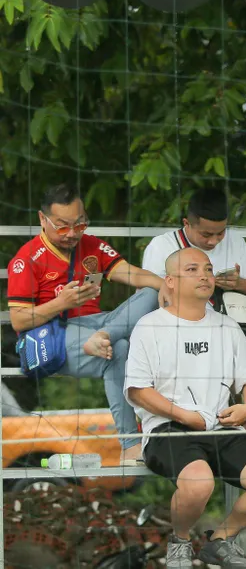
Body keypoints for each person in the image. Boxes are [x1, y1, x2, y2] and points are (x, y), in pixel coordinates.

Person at [126, 248, 246, 569]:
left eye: (209, 269)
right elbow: (138, 391)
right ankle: (180, 541)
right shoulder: (149, 326)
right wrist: (183, 415)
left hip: (221, 425)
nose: (204, 275)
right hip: (168, 428)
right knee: (199, 483)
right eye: (192, 269)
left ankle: (220, 541)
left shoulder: (227, 326)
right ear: (170, 282)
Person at [142, 188, 246, 462]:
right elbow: (153, 298)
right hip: (205, 342)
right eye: (206, 234)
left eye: (220, 233)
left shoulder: (233, 240)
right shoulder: (162, 247)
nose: (214, 241)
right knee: (238, 389)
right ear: (186, 224)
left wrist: (238, 284)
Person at [7, 183, 163, 465]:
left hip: (97, 326)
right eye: (62, 226)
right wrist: (61, 303)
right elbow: (18, 320)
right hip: (51, 335)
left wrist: (172, 287)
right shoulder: (26, 259)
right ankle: (130, 445)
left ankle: (103, 335)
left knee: (152, 293)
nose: (72, 234)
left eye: (79, 225)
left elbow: (132, 274)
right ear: (42, 219)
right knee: (119, 348)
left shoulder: (91, 245)